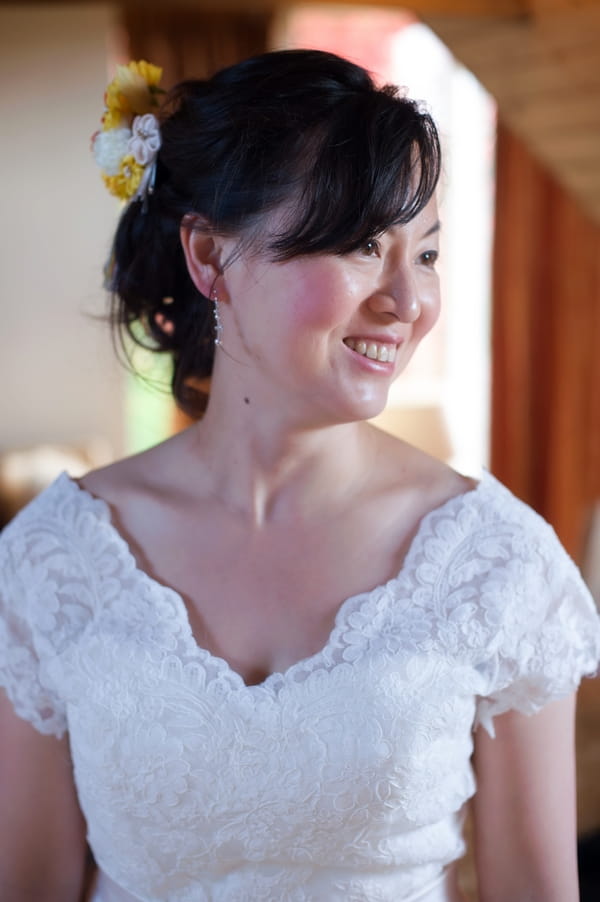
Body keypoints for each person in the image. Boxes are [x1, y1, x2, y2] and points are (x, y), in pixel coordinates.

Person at [0, 49, 599, 902]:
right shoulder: (51, 562)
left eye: (425, 253)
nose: (408, 301)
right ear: (210, 257)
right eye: (360, 245)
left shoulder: (498, 564)